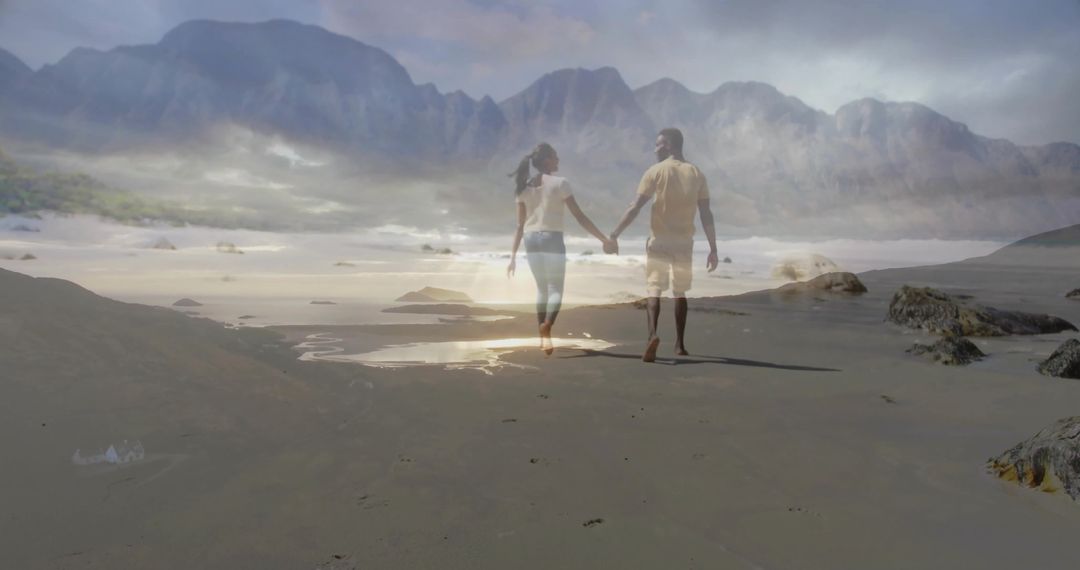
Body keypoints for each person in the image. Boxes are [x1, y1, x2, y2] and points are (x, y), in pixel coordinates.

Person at [609, 128, 719, 362]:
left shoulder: (655, 172)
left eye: (658, 144)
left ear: (669, 145)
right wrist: (713, 248)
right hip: (684, 243)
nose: (655, 149)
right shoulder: (697, 173)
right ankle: (679, 345)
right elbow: (706, 214)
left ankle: (652, 336)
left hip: (658, 241)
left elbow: (635, 206)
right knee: (680, 293)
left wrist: (615, 233)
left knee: (654, 289)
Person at [507, 143, 616, 355]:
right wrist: (603, 238)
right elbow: (579, 216)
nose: (558, 161)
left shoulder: (522, 187)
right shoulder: (560, 183)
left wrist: (512, 257)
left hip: (530, 239)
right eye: (555, 157)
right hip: (552, 238)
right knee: (556, 289)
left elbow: (519, 226)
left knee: (541, 288)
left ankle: (542, 337)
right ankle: (547, 325)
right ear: (547, 160)